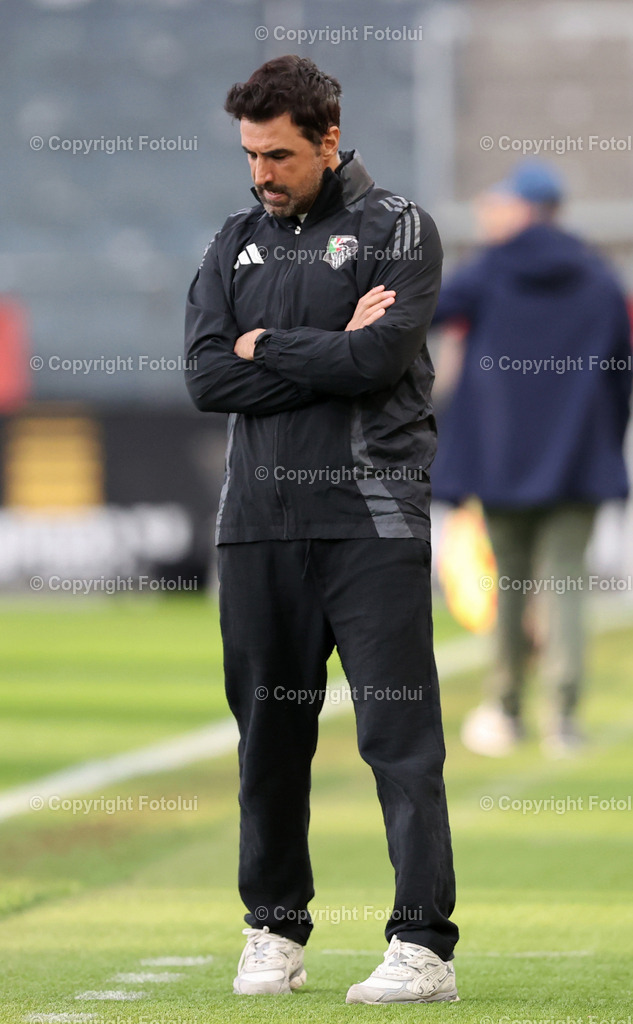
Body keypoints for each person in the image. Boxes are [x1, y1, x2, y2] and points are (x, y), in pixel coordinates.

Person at [184, 55, 459, 1004]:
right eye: (252, 155)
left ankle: (422, 944)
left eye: (281, 155)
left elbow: (380, 358)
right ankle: (273, 930)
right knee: (268, 743)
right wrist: (330, 349)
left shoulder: (400, 229)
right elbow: (207, 377)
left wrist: (281, 346)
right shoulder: (232, 241)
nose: (262, 173)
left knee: (397, 740)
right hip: (256, 524)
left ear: (329, 139)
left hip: (371, 519)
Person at [432, 161, 632, 757]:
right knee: (568, 582)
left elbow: (427, 313)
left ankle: (505, 709)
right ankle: (564, 719)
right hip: (579, 458)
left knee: (509, 584)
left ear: (524, 209)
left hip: (499, 458)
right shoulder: (601, 278)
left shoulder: (489, 268)